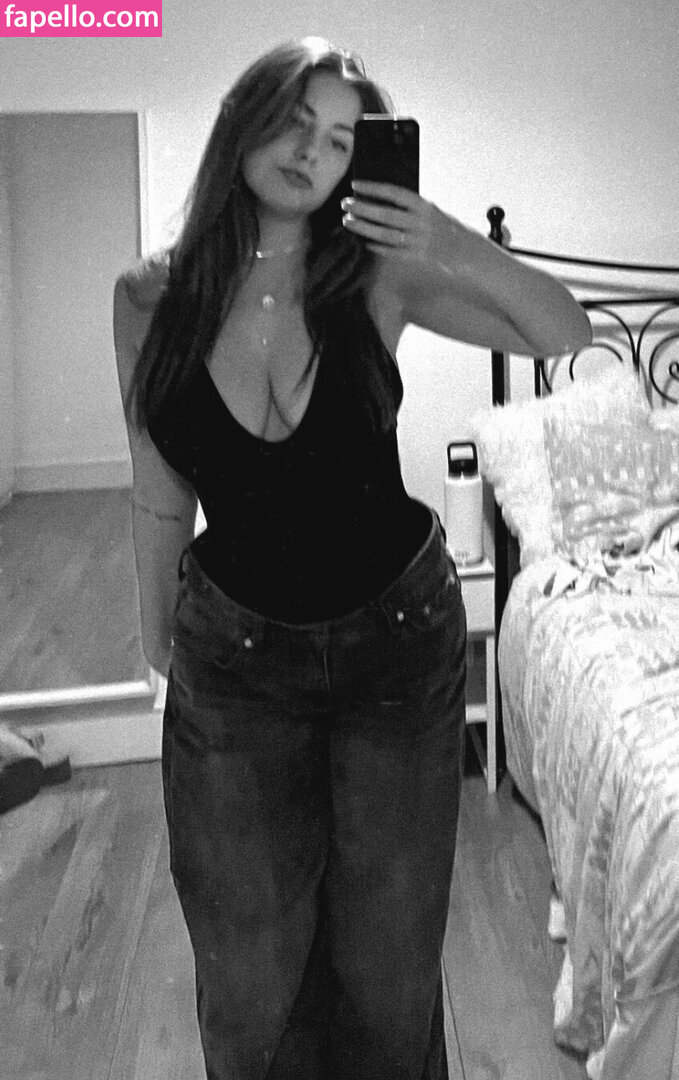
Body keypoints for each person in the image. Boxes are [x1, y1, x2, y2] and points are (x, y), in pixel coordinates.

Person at [113, 37, 591, 1080]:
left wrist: (447, 237)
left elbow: (563, 332)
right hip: (233, 656)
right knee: (247, 977)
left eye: (339, 141)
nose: (312, 154)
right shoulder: (149, 298)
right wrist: (157, 647)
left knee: (388, 969)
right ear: (243, 120)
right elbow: (158, 487)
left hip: (395, 643)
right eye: (294, 123)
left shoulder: (376, 272)